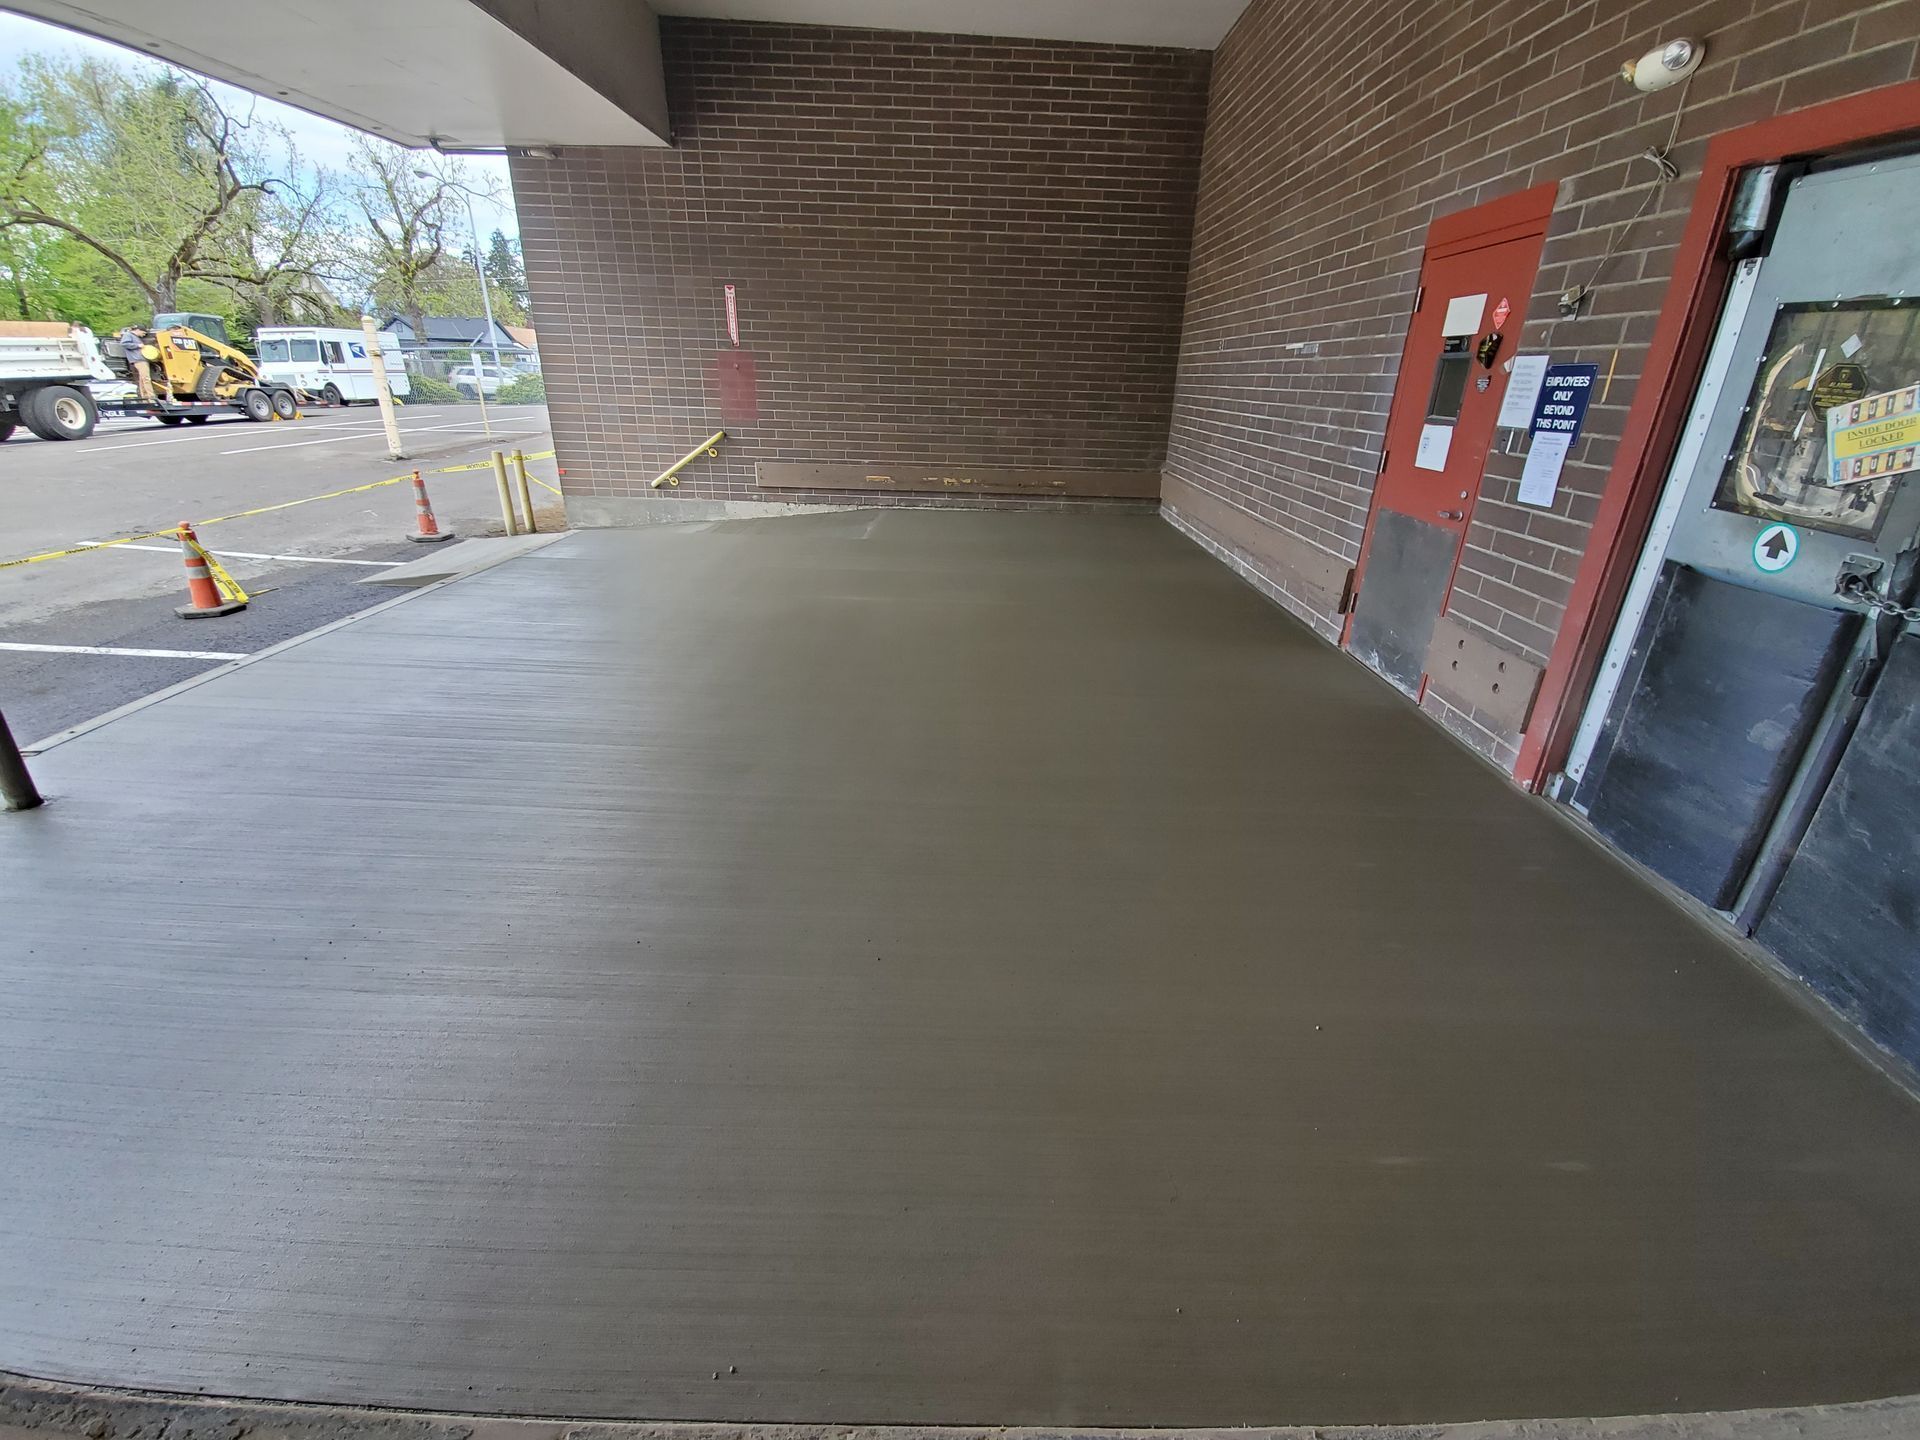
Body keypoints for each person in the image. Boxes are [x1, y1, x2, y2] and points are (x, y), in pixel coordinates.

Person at [119, 326, 162, 405]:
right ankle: (152, 398)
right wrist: (138, 345)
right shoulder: (128, 335)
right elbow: (124, 344)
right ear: (138, 330)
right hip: (138, 360)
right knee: (146, 379)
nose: (143, 335)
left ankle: (145, 399)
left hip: (141, 360)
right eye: (143, 333)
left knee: (142, 380)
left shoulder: (135, 337)